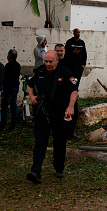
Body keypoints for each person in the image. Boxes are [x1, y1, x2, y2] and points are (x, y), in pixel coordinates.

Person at [26, 51, 78, 184]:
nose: (47, 64)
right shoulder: (40, 71)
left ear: (57, 61)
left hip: (59, 113)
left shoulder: (65, 72)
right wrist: (31, 97)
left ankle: (59, 168)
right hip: (42, 113)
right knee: (40, 141)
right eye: (46, 61)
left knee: (59, 141)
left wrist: (71, 106)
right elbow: (30, 85)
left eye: (50, 61)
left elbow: (74, 91)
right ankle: (35, 171)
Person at [55, 43, 81, 139]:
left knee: (74, 111)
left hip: (70, 91)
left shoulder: (70, 59)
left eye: (61, 51)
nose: (59, 53)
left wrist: (74, 87)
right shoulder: (52, 61)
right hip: (57, 92)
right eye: (57, 51)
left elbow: (76, 74)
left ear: (64, 51)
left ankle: (70, 132)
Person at [0, 49, 21, 131]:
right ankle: (13, 125)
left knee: (4, 107)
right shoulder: (18, 65)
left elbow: (5, 79)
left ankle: (3, 125)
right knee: (13, 106)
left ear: (9, 56)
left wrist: (3, 88)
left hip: (8, 88)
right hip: (15, 87)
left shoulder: (8, 66)